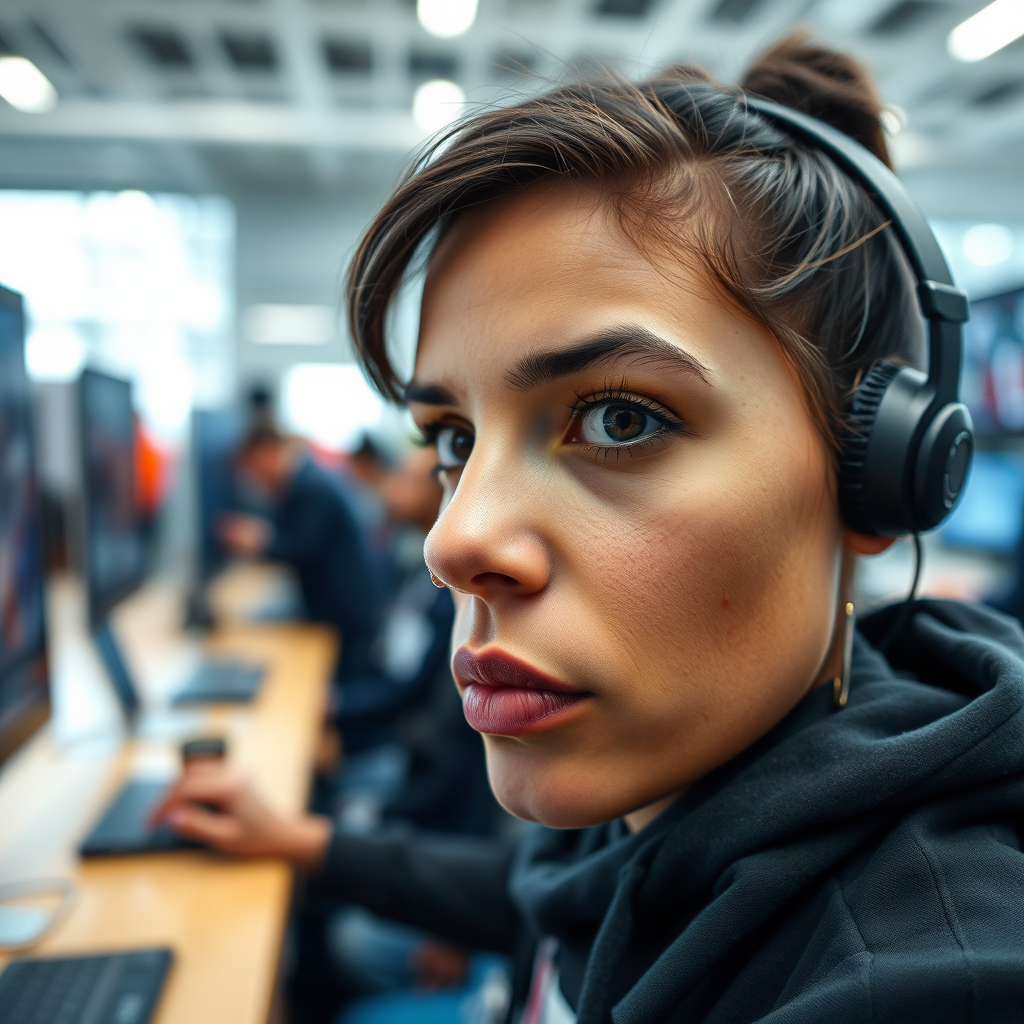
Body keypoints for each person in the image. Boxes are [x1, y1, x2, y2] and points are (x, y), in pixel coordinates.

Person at [156, 34, 1024, 1024]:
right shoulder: (659, 773)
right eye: (451, 437)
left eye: (621, 418)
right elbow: (550, 888)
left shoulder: (929, 982)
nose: (454, 541)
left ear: (873, 482)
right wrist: (304, 839)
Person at [220, 422, 384, 679]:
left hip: (345, 616)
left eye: (252, 467)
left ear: (267, 452)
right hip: (338, 609)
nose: (253, 479)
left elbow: (302, 549)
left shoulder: (310, 487)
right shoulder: (306, 478)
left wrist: (258, 542)